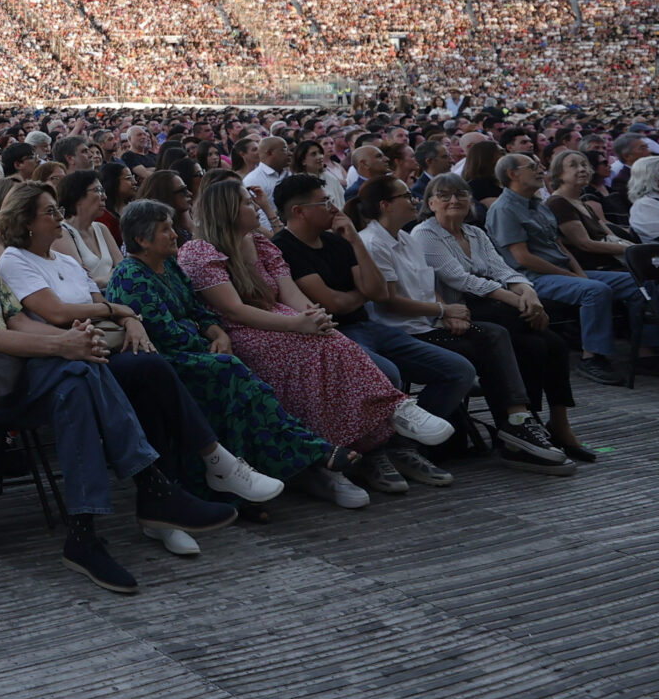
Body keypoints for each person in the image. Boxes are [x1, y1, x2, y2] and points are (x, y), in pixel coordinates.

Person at [0, 174, 230, 597]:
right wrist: (60, 345)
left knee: (78, 375)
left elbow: (16, 319)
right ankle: (150, 487)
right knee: (77, 366)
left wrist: (70, 343)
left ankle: (85, 533)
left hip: (17, 370)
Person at [0, 182, 285, 535]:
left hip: (103, 345)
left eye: (58, 210)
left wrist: (127, 318)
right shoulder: (14, 259)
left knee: (150, 378)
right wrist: (117, 309)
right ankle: (209, 465)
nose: (60, 218)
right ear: (26, 221)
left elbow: (103, 306)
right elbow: (54, 312)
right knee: (152, 368)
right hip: (69, 358)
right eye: (51, 212)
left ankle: (166, 505)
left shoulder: (66, 260)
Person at [180, 178, 454, 490]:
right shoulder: (199, 252)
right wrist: (298, 324)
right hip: (240, 329)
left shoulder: (260, 244)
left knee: (332, 340)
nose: (255, 206)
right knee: (308, 357)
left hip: (277, 318)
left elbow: (289, 292)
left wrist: (312, 315)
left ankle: (391, 413)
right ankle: (331, 454)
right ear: (226, 211)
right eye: (246, 202)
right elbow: (233, 310)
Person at [106, 200, 350, 505]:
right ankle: (309, 451)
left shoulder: (168, 264)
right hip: (163, 362)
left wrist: (217, 332)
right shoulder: (132, 276)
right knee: (230, 372)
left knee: (236, 377)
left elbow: (198, 310)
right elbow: (164, 333)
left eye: (171, 226)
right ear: (141, 240)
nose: (174, 234)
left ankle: (249, 478)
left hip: (192, 350)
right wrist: (205, 341)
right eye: (164, 229)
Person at [347, 177, 579, 470]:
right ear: (386, 205)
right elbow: (388, 301)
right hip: (402, 330)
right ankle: (513, 423)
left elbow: (431, 283)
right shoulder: (378, 241)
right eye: (407, 195)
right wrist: (443, 311)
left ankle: (519, 422)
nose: (413, 199)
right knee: (493, 340)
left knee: (522, 339)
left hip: (430, 321)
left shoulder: (405, 238)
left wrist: (444, 312)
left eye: (460, 195)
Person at [270, 172, 474, 491]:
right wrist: (359, 293)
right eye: (324, 202)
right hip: (332, 336)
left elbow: (377, 291)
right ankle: (371, 454)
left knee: (458, 371)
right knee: (387, 374)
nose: (332, 207)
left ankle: (403, 448)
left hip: (368, 325)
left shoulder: (338, 240)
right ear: (299, 211)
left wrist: (353, 239)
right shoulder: (284, 248)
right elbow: (333, 304)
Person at [486, 153, 656, 381]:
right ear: (512, 174)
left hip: (559, 270)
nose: (540, 170)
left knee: (640, 283)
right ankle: (592, 357)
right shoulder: (504, 209)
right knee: (594, 290)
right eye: (533, 166)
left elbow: (560, 247)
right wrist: (571, 276)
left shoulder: (538, 205)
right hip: (529, 278)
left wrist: (578, 273)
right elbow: (523, 258)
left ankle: (646, 351)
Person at [55, 168, 120, 287]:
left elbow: (123, 269)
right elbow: (83, 281)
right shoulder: (62, 232)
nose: (104, 196)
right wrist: (112, 276)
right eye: (98, 190)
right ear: (77, 196)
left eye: (103, 190)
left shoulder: (101, 228)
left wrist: (102, 280)